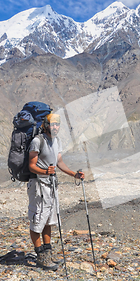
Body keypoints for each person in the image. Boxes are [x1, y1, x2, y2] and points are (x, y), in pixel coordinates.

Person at [28, 113, 84, 270]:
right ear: (45, 125)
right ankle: (40, 255)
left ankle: (48, 253)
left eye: (57, 124)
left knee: (48, 220)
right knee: (37, 220)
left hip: (51, 185)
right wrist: (45, 171)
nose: (55, 127)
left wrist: (74, 174)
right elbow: (31, 165)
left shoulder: (56, 141)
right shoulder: (37, 141)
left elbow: (59, 162)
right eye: (52, 124)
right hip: (38, 185)